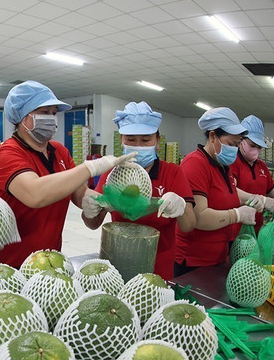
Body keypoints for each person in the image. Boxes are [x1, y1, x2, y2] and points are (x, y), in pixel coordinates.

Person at [0, 81, 135, 268]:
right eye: (44, 112)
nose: (51, 118)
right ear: (23, 118)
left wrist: (107, 200)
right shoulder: (9, 153)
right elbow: (35, 194)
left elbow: (80, 193)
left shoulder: (59, 151)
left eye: (53, 112)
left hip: (50, 262)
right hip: (11, 265)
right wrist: (89, 168)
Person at [83, 102, 196, 280]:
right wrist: (89, 210)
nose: (138, 145)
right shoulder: (112, 174)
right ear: (121, 141)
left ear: (157, 142)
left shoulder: (173, 173)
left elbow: (188, 225)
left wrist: (180, 207)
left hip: (158, 269)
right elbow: (93, 224)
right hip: (117, 267)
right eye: (130, 139)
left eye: (145, 140)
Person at [174, 107, 257, 276]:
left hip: (216, 259)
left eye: (237, 145)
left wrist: (257, 199)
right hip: (193, 263)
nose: (234, 150)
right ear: (213, 136)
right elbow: (198, 217)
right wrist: (237, 215)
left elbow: (227, 192)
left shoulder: (222, 166)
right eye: (231, 144)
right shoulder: (195, 164)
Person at [229, 115, 274, 231]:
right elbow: (231, 190)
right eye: (252, 145)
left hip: (257, 228)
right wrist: (261, 200)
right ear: (241, 141)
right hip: (236, 228)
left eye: (259, 147)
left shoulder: (262, 167)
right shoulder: (232, 162)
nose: (255, 150)